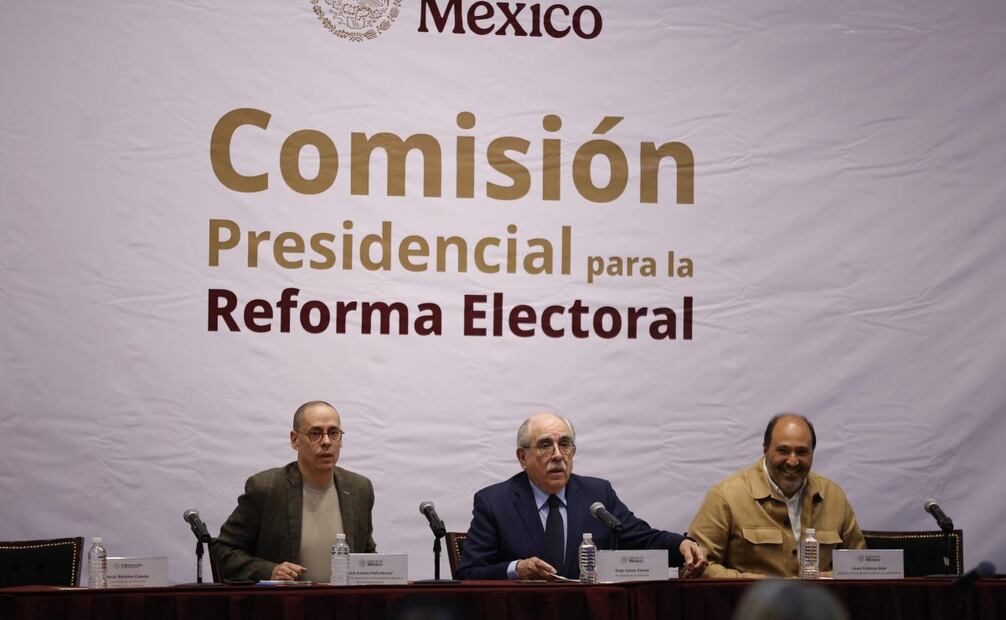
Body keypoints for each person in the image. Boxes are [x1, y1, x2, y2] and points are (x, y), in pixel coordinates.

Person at [456, 413, 706, 580]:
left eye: (565, 444)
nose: (557, 455)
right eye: (545, 445)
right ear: (523, 457)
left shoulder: (597, 495)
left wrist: (681, 544)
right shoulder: (494, 502)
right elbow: (468, 572)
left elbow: (640, 538)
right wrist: (516, 569)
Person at [211, 401, 377, 582]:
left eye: (334, 433)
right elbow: (223, 550)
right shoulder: (266, 488)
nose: (327, 442)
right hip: (285, 606)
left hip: (345, 606)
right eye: (315, 434)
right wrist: (270, 571)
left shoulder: (359, 488)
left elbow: (366, 554)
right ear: (295, 440)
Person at [688, 413, 865, 578]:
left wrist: (819, 580)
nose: (793, 461)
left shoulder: (834, 497)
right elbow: (697, 567)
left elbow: (860, 567)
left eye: (802, 452)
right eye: (783, 451)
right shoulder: (726, 496)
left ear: (812, 452)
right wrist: (760, 585)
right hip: (749, 608)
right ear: (765, 449)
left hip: (818, 608)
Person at [732, 580, 850, 620]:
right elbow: (712, 566)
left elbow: (861, 564)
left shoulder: (840, 521)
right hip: (764, 598)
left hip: (822, 600)